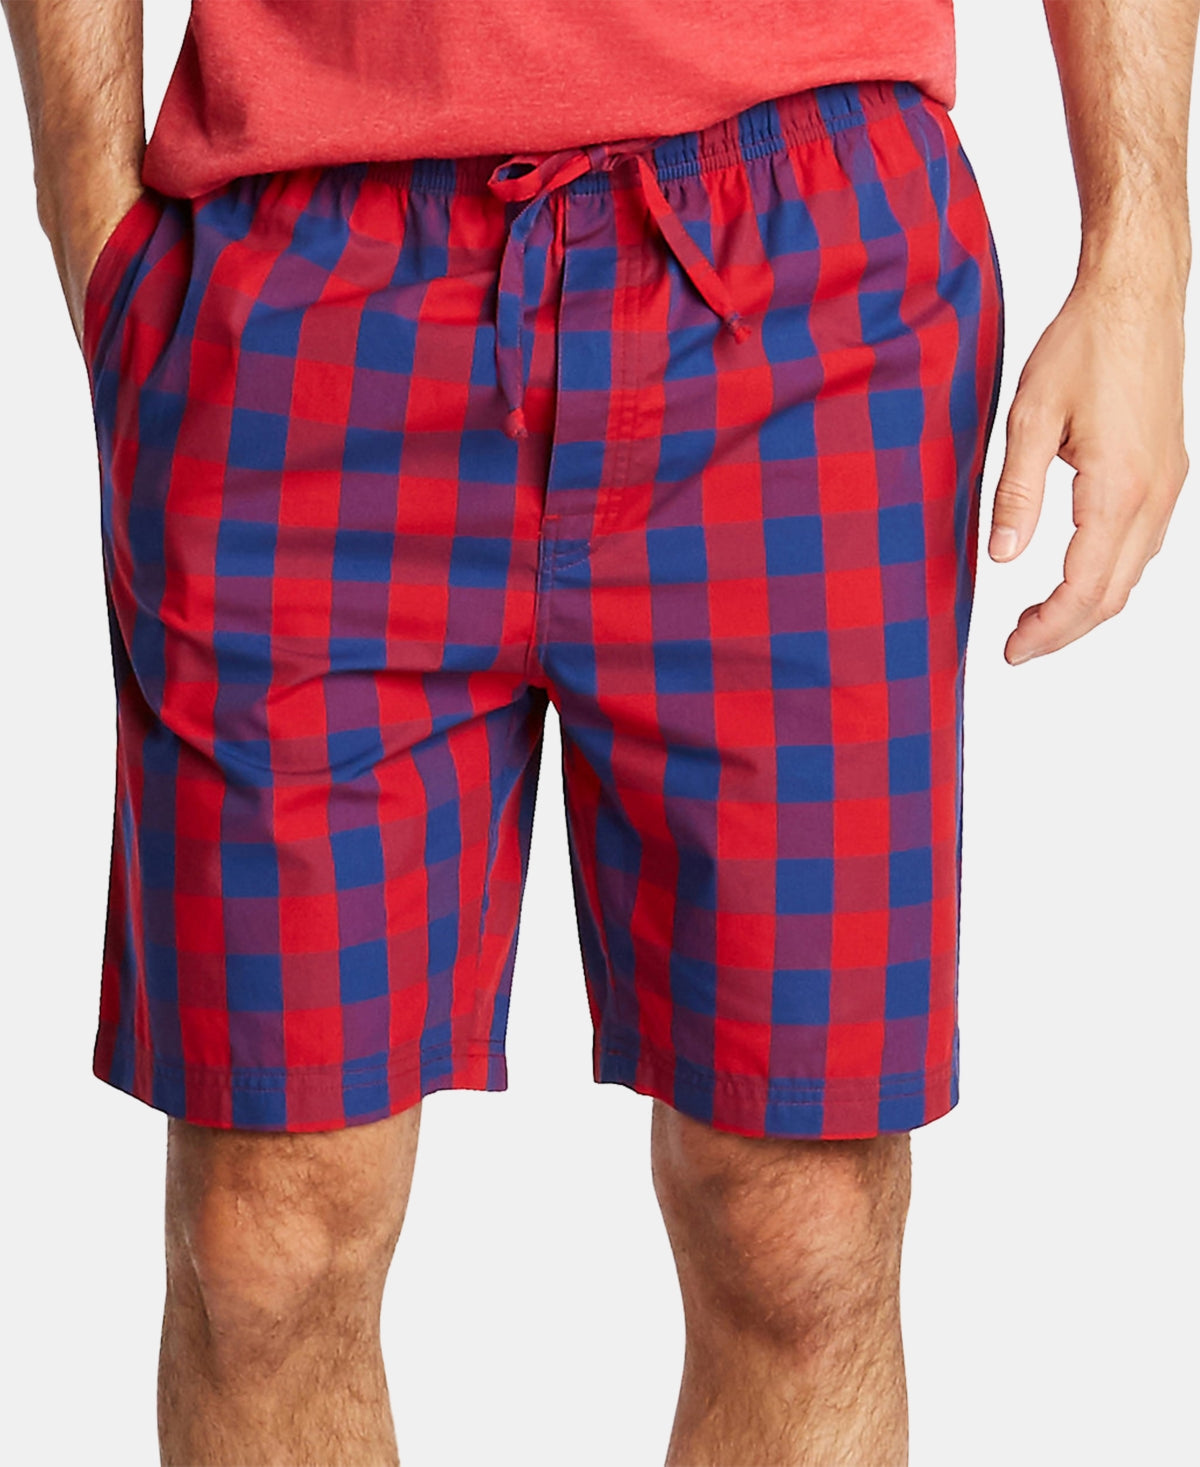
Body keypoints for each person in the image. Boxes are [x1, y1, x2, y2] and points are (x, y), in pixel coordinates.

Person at [2, 1, 1193, 1463]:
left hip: (805, 268)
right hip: (308, 253)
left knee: (800, 1222)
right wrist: (93, 227)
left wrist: (1140, 254)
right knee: (267, 1237)